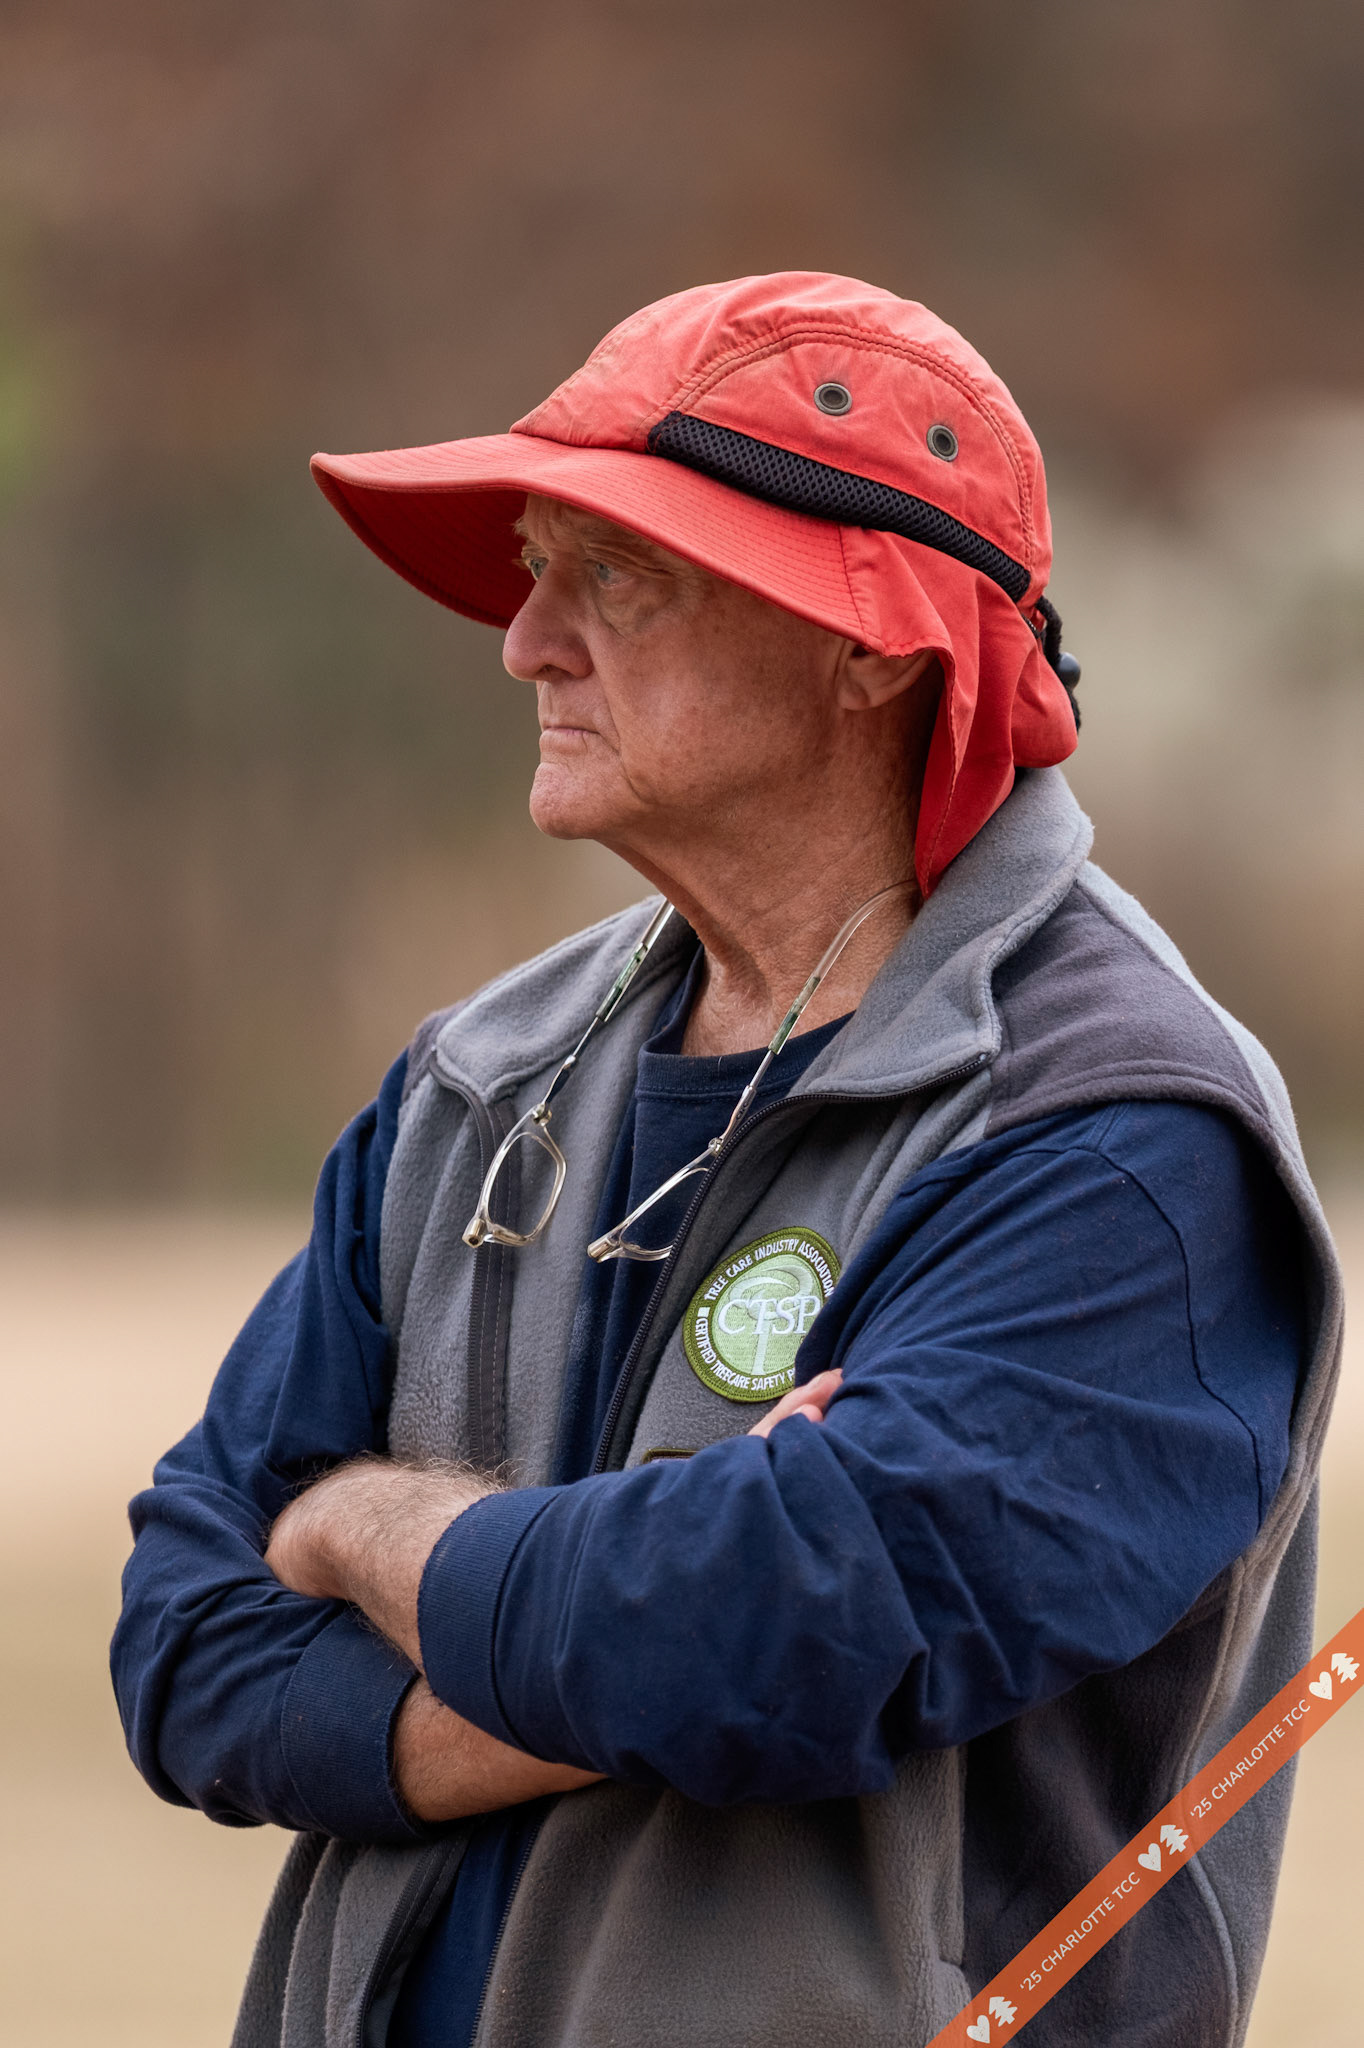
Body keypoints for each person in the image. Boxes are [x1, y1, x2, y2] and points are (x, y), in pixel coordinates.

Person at [112, 272, 1342, 2048]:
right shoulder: (478, 1079)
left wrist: (358, 1522)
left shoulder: (1126, 1136)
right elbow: (183, 1638)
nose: (526, 641)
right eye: (539, 569)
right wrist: (603, 1631)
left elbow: (777, 1637)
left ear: (872, 642)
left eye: (617, 575)